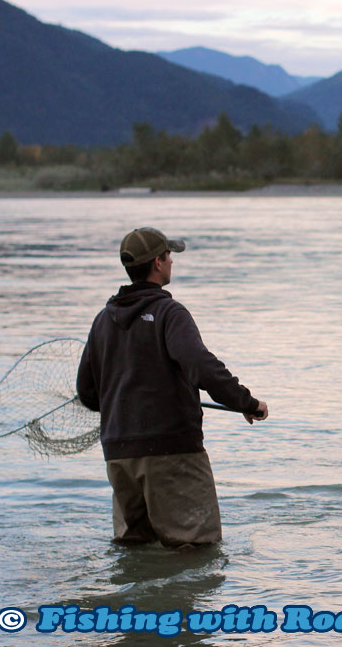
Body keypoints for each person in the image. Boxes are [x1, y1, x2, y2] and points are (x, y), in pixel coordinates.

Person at [76, 227, 268, 548]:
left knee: (134, 552)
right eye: (169, 256)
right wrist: (247, 403)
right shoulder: (170, 313)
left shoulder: (102, 321)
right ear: (158, 262)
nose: (172, 263)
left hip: (119, 457)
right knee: (195, 550)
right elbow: (201, 366)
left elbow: (87, 394)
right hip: (171, 454)